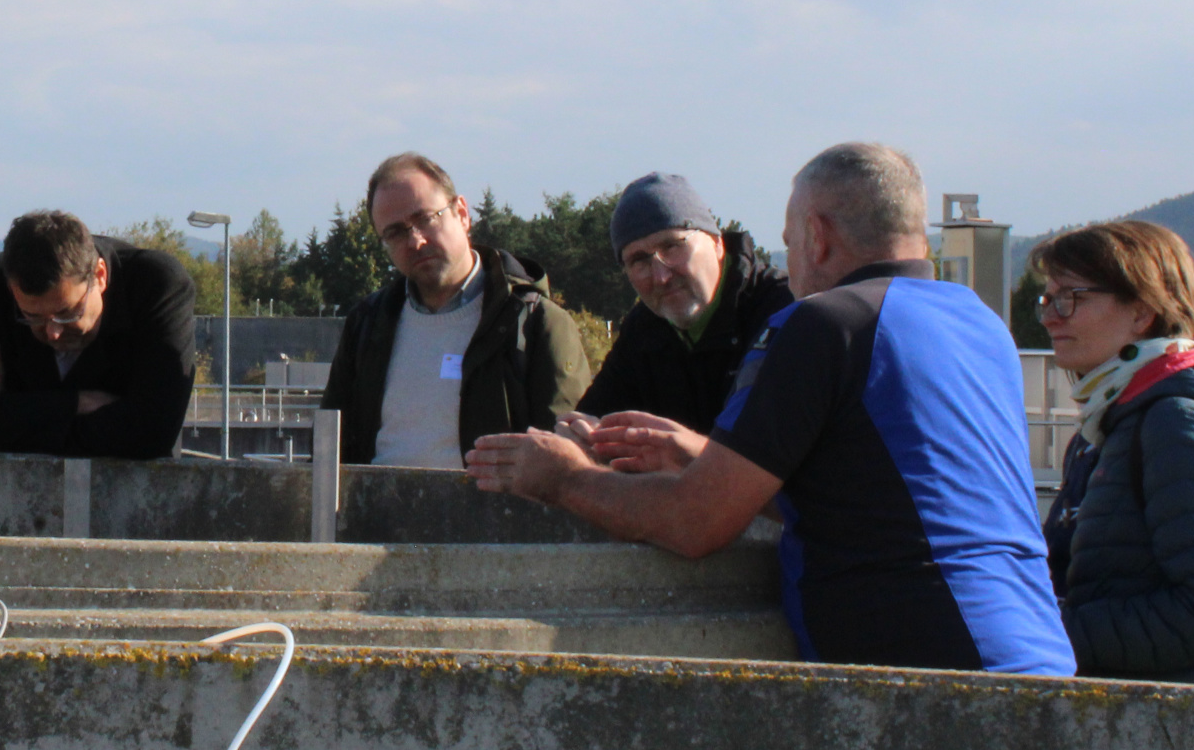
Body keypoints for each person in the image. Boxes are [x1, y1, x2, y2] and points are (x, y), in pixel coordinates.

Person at [465, 142, 1071, 676]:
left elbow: (694, 524)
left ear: (817, 234)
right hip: (1035, 647)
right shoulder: (978, 322)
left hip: (927, 666)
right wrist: (702, 455)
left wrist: (562, 478)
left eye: (789, 242)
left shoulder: (822, 324)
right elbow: (894, 498)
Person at [1035, 220, 1194, 682]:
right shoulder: (1110, 421)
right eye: (1047, 298)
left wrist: (1046, 632)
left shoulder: (1175, 421)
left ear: (1142, 313)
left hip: (1168, 728)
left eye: (1070, 298)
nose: (1049, 316)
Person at [322, 152, 590, 468]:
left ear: (462, 213)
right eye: (395, 233)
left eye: (424, 219)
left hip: (490, 516)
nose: (415, 241)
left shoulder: (534, 323)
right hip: (377, 515)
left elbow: (569, 462)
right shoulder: (367, 325)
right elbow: (329, 451)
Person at [0, 210, 196, 459]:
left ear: (100, 276)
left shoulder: (155, 285)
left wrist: (8, 411)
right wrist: (75, 403)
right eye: (31, 317)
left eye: (67, 313)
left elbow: (151, 432)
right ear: (11, 290)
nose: (53, 333)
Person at [570, 171, 792, 436]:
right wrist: (575, 437)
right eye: (639, 261)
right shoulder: (644, 331)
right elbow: (593, 418)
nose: (661, 277)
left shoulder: (784, 312)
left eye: (672, 247)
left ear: (717, 243)